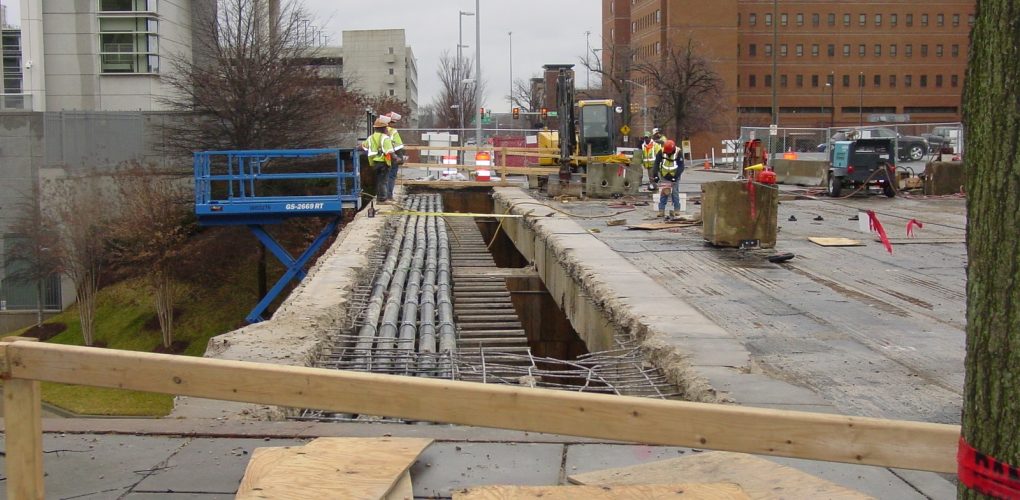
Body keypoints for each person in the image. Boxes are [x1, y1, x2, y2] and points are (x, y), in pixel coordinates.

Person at [360, 116, 395, 203]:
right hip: (383, 162)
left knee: (379, 181)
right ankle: (382, 199)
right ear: (383, 128)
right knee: (383, 181)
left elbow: (363, 146)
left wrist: (353, 148)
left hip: (374, 163)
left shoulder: (370, 138)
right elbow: (390, 152)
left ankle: (379, 198)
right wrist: (398, 159)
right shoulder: (385, 138)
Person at [655, 139, 685, 219]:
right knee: (664, 193)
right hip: (665, 175)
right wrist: (656, 175)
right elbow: (656, 163)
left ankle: (677, 210)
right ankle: (661, 211)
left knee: (675, 193)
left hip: (675, 175)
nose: (666, 153)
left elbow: (681, 166)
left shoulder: (678, 152)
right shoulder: (661, 151)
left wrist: (675, 177)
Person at [383, 112, 405, 202]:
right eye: (393, 122)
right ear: (390, 122)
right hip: (393, 156)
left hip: (383, 157)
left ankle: (383, 196)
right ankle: (389, 196)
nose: (394, 125)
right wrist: (400, 157)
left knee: (383, 177)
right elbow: (398, 146)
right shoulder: (393, 132)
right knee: (391, 176)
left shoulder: (380, 131)